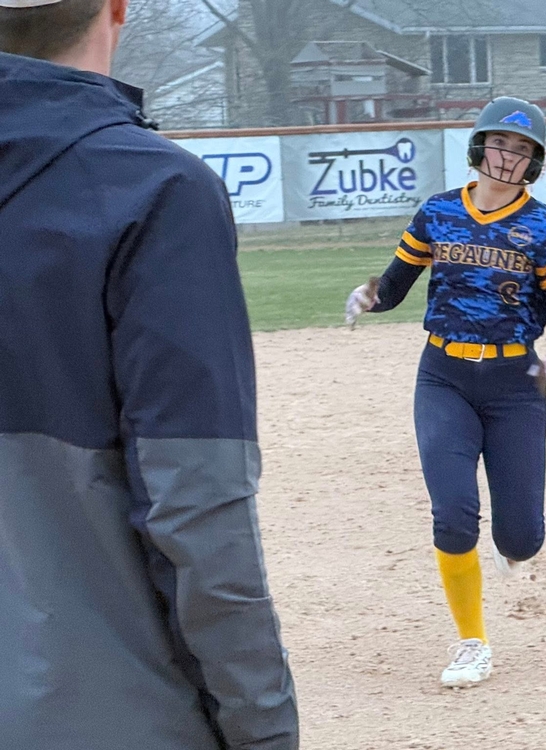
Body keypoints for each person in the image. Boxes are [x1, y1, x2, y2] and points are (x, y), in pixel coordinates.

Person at [0, 2, 298, 748]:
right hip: (103, 712)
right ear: (117, 8)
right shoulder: (154, 187)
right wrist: (261, 729)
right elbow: (195, 510)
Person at [345, 96, 546, 688]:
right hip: (444, 378)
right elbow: (395, 287)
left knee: (522, 538)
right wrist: (369, 295)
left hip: (515, 385)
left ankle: (514, 548)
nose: (508, 156)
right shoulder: (438, 213)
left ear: (534, 161)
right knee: (453, 516)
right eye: (500, 143)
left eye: (522, 148)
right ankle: (472, 642)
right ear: (481, 146)